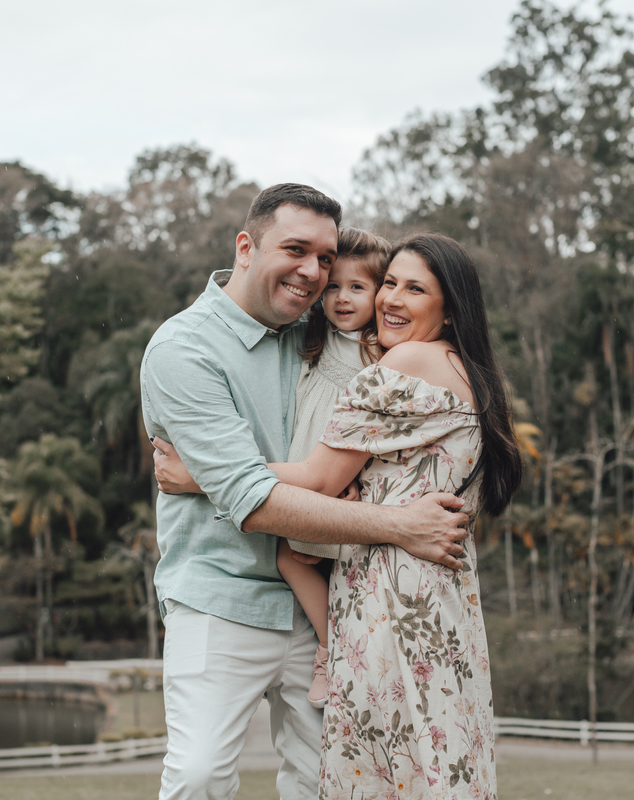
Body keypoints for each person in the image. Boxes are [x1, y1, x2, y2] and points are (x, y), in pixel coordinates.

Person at [155, 232, 522, 799]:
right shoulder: (466, 370)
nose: (391, 299)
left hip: (388, 597)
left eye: (415, 289)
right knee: (436, 756)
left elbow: (319, 478)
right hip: (442, 598)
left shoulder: (407, 361)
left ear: (450, 309)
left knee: (380, 767)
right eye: (391, 283)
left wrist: (200, 476)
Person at [278, 227, 390, 709]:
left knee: (309, 561)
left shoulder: (380, 352)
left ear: (379, 293)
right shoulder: (314, 336)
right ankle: (332, 644)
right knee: (293, 559)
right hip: (303, 474)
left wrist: (353, 484)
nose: (342, 298)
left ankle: (333, 650)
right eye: (334, 287)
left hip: (334, 480)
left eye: (357, 287)